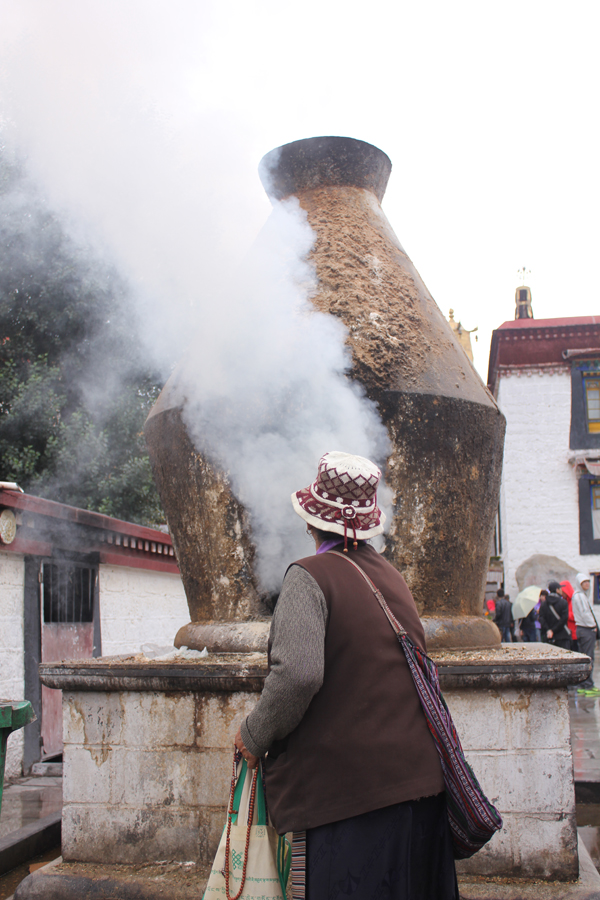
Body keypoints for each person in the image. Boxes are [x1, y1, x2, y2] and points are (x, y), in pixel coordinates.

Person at [235, 451, 459, 900]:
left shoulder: (308, 576)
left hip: (350, 802)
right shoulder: (391, 578)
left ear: (311, 522)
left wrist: (253, 734)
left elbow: (297, 676)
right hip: (418, 789)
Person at [571, 573, 600, 695]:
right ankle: (587, 685)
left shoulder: (579, 596)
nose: (587, 584)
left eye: (588, 581)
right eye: (584, 582)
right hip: (586, 629)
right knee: (589, 657)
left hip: (582, 628)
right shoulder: (580, 597)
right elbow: (585, 613)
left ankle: (584, 683)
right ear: (579, 584)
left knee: (585, 656)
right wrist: (593, 626)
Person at [539, 581, 571, 649]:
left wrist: (548, 630)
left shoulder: (544, 604)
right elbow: (564, 619)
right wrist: (553, 630)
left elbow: (541, 618)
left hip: (548, 636)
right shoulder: (563, 603)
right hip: (562, 636)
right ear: (557, 590)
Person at [559, 580, 578, 651]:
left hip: (575, 634)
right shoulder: (566, 601)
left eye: (563, 592)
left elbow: (576, 616)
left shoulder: (574, 600)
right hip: (569, 633)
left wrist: (565, 614)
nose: (562, 594)